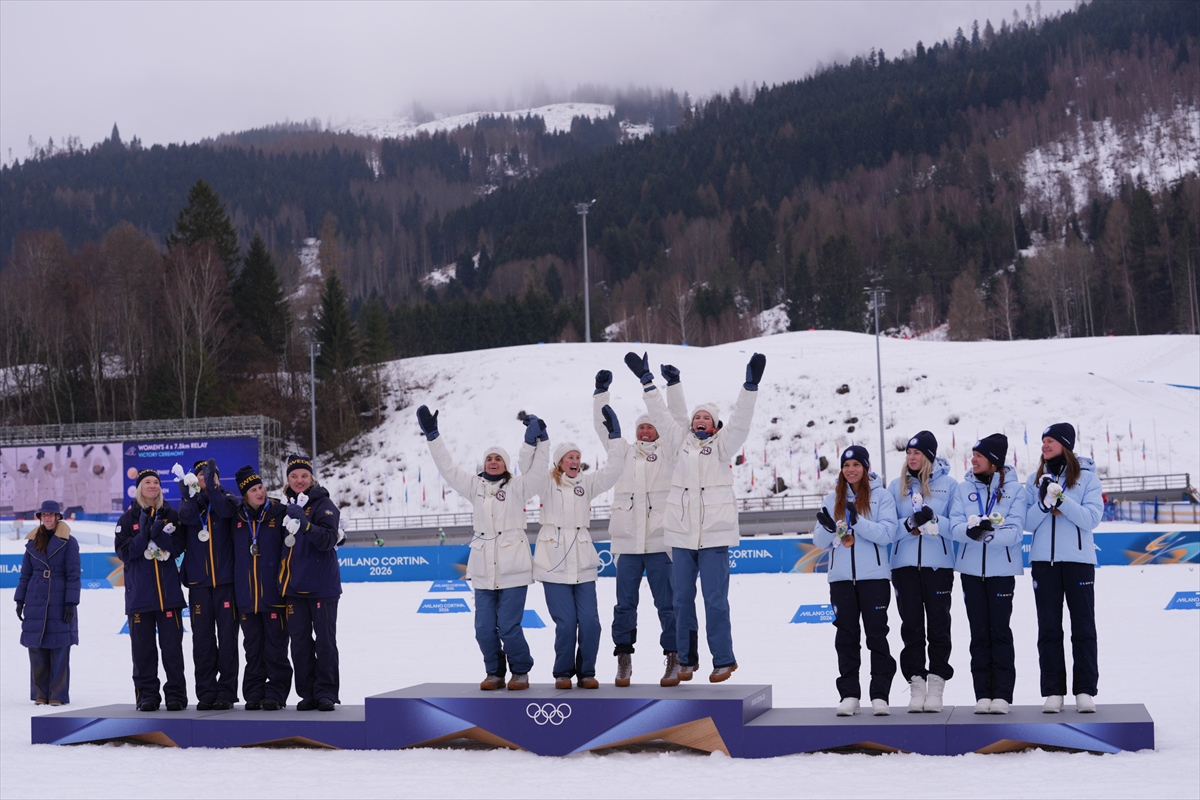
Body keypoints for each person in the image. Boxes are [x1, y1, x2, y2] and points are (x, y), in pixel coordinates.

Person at [627, 350, 763, 685]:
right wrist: (647, 383)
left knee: (715, 601)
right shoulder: (678, 444)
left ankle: (724, 660)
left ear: (714, 425)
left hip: (715, 537)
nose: (700, 420)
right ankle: (686, 661)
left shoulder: (722, 446)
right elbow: (661, 415)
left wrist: (749, 388)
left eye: (706, 418)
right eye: (696, 417)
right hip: (681, 536)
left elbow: (741, 421)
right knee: (681, 602)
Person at [420, 405, 548, 691]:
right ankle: (494, 672)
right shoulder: (473, 486)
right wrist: (433, 437)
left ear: (506, 464)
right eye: (489, 458)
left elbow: (540, 471)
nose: (493, 462)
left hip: (513, 569)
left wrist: (543, 441)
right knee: (483, 629)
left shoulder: (518, 488)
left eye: (498, 458)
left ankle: (520, 670)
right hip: (482, 571)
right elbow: (448, 468)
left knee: (509, 627)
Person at [593, 365, 689, 687]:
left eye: (650, 427)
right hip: (628, 544)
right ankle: (623, 657)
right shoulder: (622, 454)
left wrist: (672, 386)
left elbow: (677, 421)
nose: (645, 432)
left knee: (668, 606)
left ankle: (674, 656)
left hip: (660, 543)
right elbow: (603, 426)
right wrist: (600, 394)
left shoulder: (671, 454)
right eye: (641, 428)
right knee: (624, 606)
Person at [527, 418, 625, 690]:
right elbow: (529, 469)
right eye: (569, 457)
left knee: (591, 623)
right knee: (567, 624)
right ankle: (563, 673)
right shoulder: (546, 483)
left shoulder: (587, 484)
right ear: (559, 462)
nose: (575, 461)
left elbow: (614, 470)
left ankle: (586, 672)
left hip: (582, 564)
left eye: (578, 457)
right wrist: (537, 443)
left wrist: (615, 439)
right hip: (553, 564)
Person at [1025, 423, 1104, 714]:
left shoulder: (1087, 478)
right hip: (1044, 564)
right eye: (1043, 440)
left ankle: (1085, 691)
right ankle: (1053, 691)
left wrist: (1062, 500)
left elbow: (1091, 518)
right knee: (1048, 628)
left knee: (1083, 627)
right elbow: (1027, 523)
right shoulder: (1034, 480)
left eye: (1050, 440)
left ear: (1065, 445)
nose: (1044, 445)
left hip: (1078, 562)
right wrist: (1045, 505)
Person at [814, 446, 898, 716]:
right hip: (841, 579)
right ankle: (849, 694)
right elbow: (819, 541)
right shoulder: (832, 498)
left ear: (866, 467)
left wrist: (857, 521)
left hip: (874, 578)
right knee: (846, 637)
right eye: (846, 465)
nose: (850, 470)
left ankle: (880, 695)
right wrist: (829, 528)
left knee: (877, 636)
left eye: (856, 464)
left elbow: (887, 534)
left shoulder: (881, 497)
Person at [950, 434, 1027, 715]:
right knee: (979, 634)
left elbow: (1015, 532)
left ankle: (1003, 695)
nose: (973, 460)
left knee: (1000, 632)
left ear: (994, 461)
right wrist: (970, 531)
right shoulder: (963, 489)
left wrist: (987, 535)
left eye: (979, 456)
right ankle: (982, 694)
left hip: (1001, 572)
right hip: (970, 572)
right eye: (973, 455)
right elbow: (955, 527)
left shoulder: (1015, 490)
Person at [888, 431, 958, 713]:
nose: (911, 457)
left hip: (938, 567)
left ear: (929, 456)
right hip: (904, 567)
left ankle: (937, 685)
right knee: (912, 628)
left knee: (939, 627)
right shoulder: (896, 486)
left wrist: (933, 522)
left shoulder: (949, 485)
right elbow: (887, 530)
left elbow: (957, 528)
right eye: (908, 452)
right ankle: (916, 685)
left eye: (917, 452)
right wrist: (909, 525)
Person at [115, 468, 188, 711]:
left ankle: (176, 695)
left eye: (156, 481)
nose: (152, 485)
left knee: (172, 652)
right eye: (147, 482)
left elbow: (178, 548)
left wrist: (160, 535)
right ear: (139, 488)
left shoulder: (171, 515)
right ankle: (147, 695)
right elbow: (125, 553)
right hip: (139, 597)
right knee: (143, 653)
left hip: (168, 596)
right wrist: (143, 533)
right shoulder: (127, 520)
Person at [278, 455, 342, 711]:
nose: (299, 480)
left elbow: (328, 540)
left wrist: (305, 525)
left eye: (304, 475)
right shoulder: (286, 506)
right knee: (300, 644)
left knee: (325, 642)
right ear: (288, 480)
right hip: (294, 588)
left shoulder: (324, 504)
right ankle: (307, 693)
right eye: (294, 476)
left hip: (322, 588)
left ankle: (326, 692)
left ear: (312, 478)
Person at [177, 458, 239, 710]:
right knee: (202, 642)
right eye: (200, 475)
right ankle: (206, 692)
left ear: (217, 477)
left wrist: (213, 490)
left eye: (208, 474)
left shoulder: (228, 499)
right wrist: (188, 497)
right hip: (199, 583)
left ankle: (226, 692)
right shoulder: (192, 502)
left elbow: (224, 511)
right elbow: (186, 517)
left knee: (227, 641)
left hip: (225, 583)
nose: (204, 478)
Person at [233, 465, 292, 710]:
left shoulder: (280, 512)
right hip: (247, 597)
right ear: (244, 495)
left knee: (276, 648)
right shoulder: (236, 517)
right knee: (253, 649)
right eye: (253, 490)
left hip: (273, 595)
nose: (259, 492)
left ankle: (276, 694)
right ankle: (254, 693)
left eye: (260, 487)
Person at [14, 500, 80, 706]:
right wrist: (19, 599)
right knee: (36, 648)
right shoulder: (33, 542)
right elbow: (25, 574)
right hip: (35, 598)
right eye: (44, 515)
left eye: (51, 514)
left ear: (58, 516)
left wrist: (71, 602)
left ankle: (58, 694)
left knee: (59, 647)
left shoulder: (69, 542)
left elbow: (73, 574)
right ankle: (40, 693)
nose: (47, 518)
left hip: (59, 599)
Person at [2, 449, 41, 518]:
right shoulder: (16, 474)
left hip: (30, 506)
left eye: (24, 465)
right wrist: (1, 455)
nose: (23, 466)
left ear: (27, 466)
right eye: (22, 465)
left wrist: (39, 458)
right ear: (19, 466)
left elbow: (38, 469)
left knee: (30, 524)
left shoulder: (31, 475)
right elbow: (7, 466)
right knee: (18, 524)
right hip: (19, 507)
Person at [81, 445, 120, 516]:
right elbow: (81, 468)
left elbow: (114, 466)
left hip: (104, 510)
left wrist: (109, 454)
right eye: (95, 467)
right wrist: (84, 456)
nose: (97, 468)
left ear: (101, 468)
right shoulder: (89, 477)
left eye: (98, 467)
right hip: (91, 511)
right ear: (93, 468)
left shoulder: (106, 476)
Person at [56, 446, 86, 518]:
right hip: (68, 505)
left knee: (81, 522)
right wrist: (57, 452)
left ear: (76, 464)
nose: (72, 464)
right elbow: (57, 464)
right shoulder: (65, 472)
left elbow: (86, 462)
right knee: (67, 523)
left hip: (80, 504)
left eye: (74, 463)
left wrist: (85, 449)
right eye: (71, 463)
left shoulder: (81, 472)